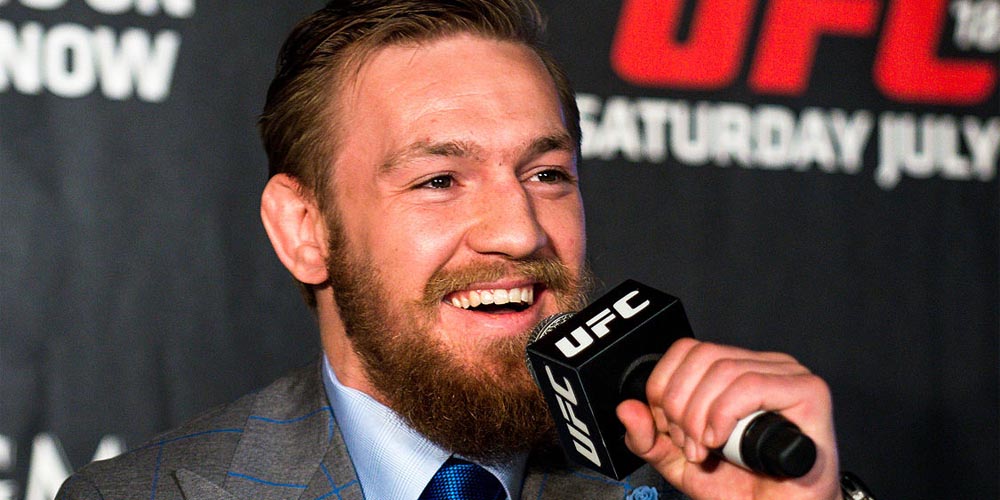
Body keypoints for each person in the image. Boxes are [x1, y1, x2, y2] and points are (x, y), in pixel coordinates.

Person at [58, 1, 845, 499]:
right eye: (439, 180)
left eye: (545, 174)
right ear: (304, 229)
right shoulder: (143, 495)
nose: (519, 231)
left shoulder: (686, 478)